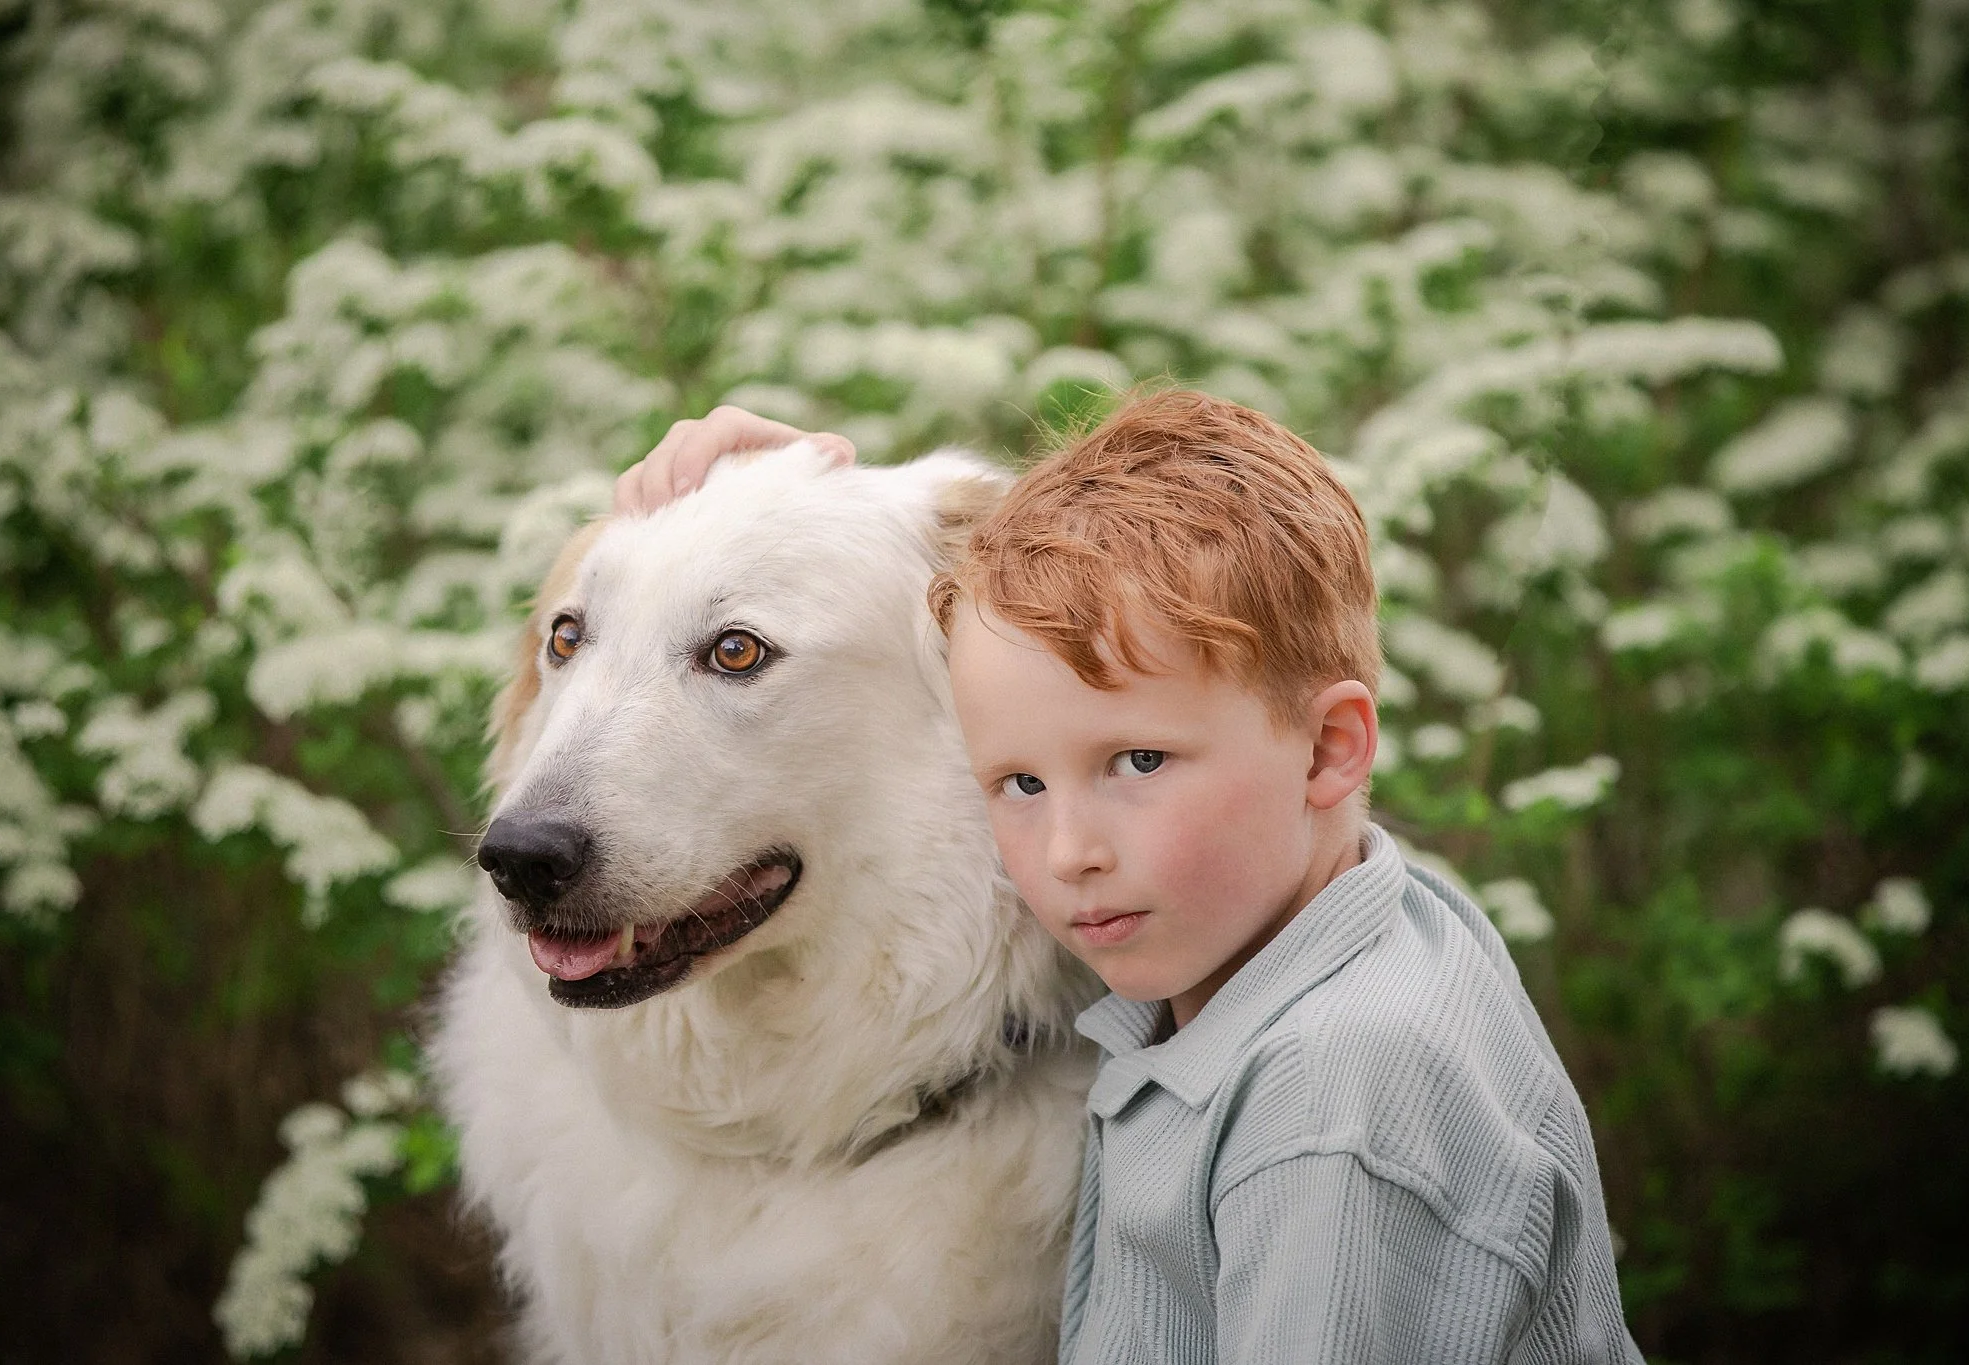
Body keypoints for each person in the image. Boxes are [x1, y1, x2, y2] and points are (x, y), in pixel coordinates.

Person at [625, 393, 1643, 1364]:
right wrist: (795, 521)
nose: (1069, 851)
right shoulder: (1307, 928)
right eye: (1017, 781)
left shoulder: (1331, 1112)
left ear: (1332, 750)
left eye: (1137, 764)